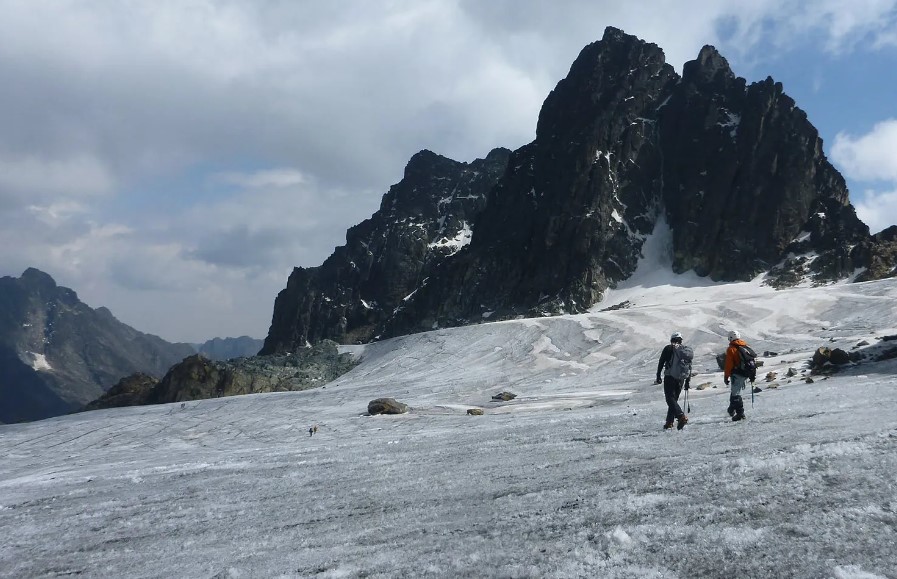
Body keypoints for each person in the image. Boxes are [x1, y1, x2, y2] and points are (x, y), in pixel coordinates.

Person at [655, 332, 690, 430]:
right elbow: (689, 365)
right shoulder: (684, 350)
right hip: (681, 378)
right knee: (673, 400)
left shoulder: (668, 348)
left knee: (670, 399)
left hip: (670, 376)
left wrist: (658, 375)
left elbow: (661, 361)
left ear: (672, 340)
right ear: (681, 340)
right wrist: (687, 380)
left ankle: (680, 416)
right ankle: (669, 422)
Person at [723, 330, 755, 421]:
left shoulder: (731, 349)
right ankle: (731, 409)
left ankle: (740, 413)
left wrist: (726, 376)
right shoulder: (745, 346)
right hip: (746, 373)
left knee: (735, 394)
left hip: (737, 374)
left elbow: (728, 364)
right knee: (735, 392)